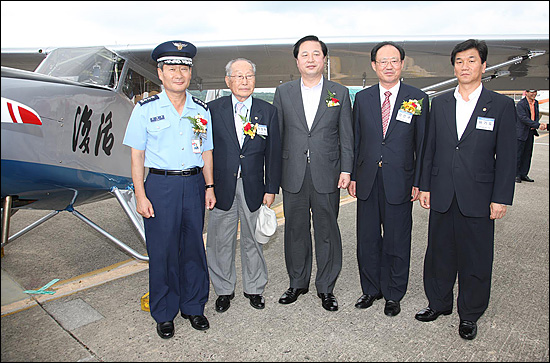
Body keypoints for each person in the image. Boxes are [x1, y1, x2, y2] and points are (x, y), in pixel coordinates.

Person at [415, 39, 516, 340]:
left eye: (471, 61)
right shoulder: (441, 102)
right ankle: (439, 302)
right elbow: (429, 148)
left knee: (476, 256)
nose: (465, 66)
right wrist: (425, 186)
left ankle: (470, 313)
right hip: (443, 192)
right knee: (439, 252)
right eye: (459, 61)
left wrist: (500, 197)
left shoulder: (501, 105)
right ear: (454, 66)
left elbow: (508, 157)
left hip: (479, 196)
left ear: (483, 66)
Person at [123, 40, 216, 339]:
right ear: (160, 73)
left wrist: (210, 186)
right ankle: (164, 312)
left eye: (184, 69)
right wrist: (140, 194)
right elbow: (137, 155)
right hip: (160, 185)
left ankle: (193, 306)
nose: (179, 74)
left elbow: (206, 152)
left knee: (193, 249)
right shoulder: (145, 109)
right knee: (162, 251)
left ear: (190, 73)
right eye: (172, 68)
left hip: (193, 182)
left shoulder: (201, 109)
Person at [347, 41, 429, 317]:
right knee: (367, 239)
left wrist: (419, 181)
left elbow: (423, 145)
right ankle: (370, 289)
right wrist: (355, 176)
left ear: (402, 64)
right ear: (374, 66)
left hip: (401, 181)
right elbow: (357, 141)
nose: (389, 66)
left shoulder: (417, 98)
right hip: (368, 179)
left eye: (394, 60)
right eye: (383, 61)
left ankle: (394, 293)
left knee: (397, 239)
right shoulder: (363, 98)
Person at [273, 35, 354, 312]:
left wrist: (346, 170)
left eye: (316, 54)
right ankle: (297, 283)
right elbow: (278, 136)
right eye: (304, 54)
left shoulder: (339, 92)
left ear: (324, 59)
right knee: (295, 230)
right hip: (292, 172)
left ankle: (326, 287)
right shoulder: (283, 93)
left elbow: (347, 135)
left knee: (327, 230)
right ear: (297, 61)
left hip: (327, 173)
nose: (310, 59)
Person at [206, 58, 281, 312]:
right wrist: (208, 187)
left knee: (253, 239)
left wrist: (271, 188)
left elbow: (273, 153)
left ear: (255, 79)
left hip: (253, 187)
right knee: (220, 241)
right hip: (221, 187)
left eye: (248, 76)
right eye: (238, 76)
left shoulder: (267, 111)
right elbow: (206, 151)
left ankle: (254, 288)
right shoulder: (212, 110)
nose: (244, 81)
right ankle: (224, 290)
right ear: (228, 81)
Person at [515, 89, 547, 183]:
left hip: (530, 132)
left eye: (535, 91)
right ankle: (516, 174)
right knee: (518, 154)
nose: (534, 94)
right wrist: (537, 125)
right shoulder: (521, 104)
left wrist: (535, 124)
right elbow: (523, 118)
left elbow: (536, 115)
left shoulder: (536, 103)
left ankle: (524, 174)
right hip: (521, 132)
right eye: (532, 92)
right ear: (527, 93)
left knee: (528, 154)